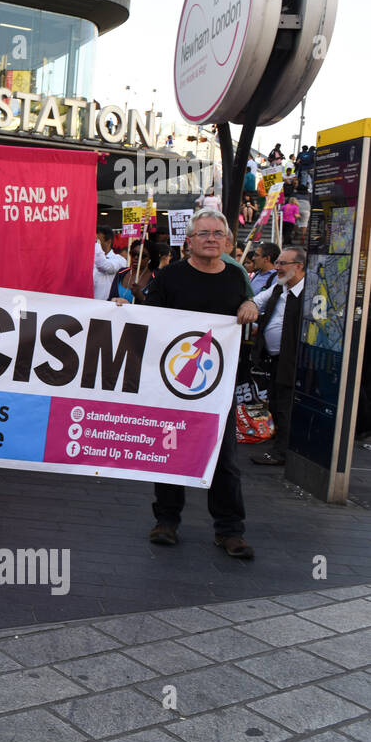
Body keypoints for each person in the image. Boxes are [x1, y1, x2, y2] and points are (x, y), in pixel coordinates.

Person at [140, 208, 258, 559]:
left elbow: (248, 305)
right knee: (171, 453)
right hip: (173, 383)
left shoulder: (237, 278)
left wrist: (251, 303)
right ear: (189, 241)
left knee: (225, 462)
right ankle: (167, 521)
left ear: (227, 241)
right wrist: (119, 311)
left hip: (218, 388)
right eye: (204, 233)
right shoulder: (170, 277)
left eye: (217, 234)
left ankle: (229, 530)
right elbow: (149, 319)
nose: (211, 239)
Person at [251, 247, 306, 466]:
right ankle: (281, 446)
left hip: (294, 359)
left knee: (285, 405)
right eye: (278, 263)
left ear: (299, 266)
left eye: (283, 263)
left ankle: (283, 451)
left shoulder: (308, 293)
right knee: (275, 402)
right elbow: (256, 301)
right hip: (273, 359)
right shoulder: (279, 288)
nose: (277, 267)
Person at [93, 227, 124, 301]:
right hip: (88, 303)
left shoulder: (119, 260)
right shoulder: (89, 258)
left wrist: (96, 244)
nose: (94, 243)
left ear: (109, 241)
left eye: (98, 240)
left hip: (107, 306)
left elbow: (104, 266)